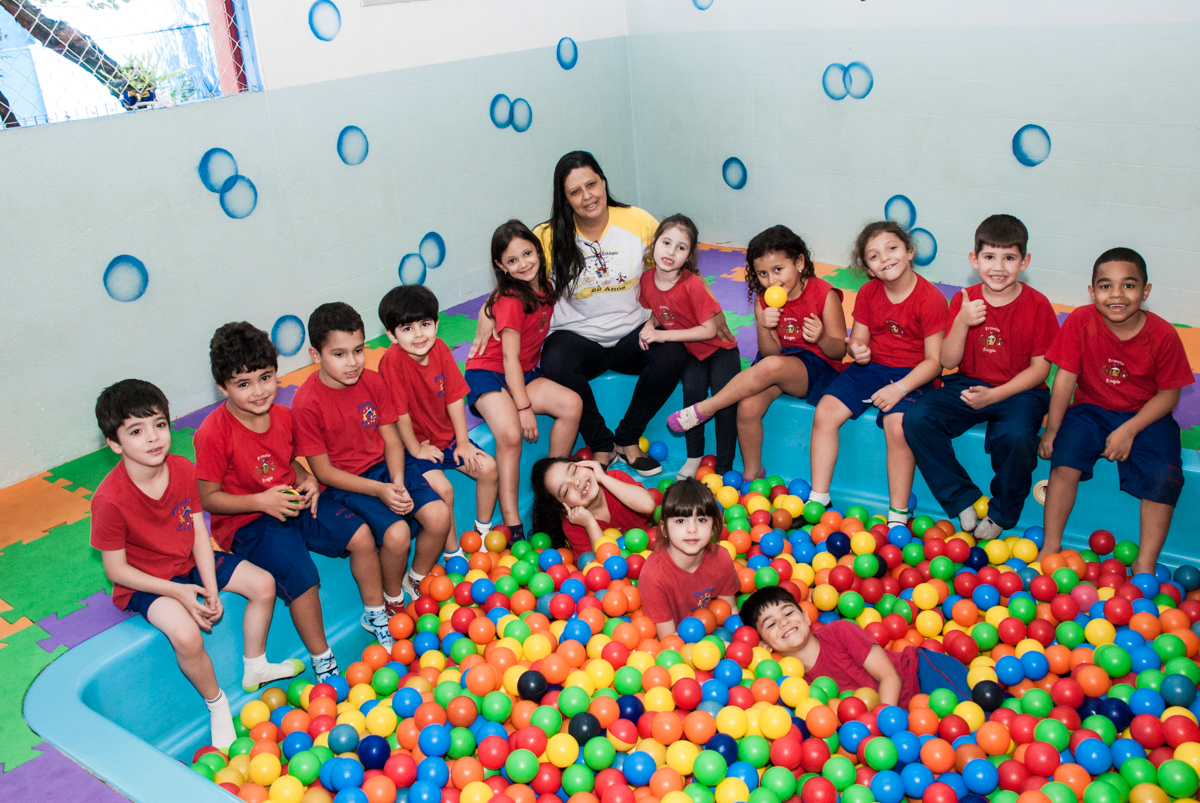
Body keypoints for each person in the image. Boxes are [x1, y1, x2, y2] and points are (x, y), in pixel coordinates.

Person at [471, 151, 731, 476]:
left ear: (604, 182)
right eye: (575, 191)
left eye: (592, 184)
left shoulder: (638, 221)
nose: (587, 196)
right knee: (554, 359)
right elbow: (517, 269)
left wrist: (714, 308)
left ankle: (628, 437)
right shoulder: (548, 236)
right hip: (578, 340)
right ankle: (601, 443)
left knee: (673, 352)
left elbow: (679, 262)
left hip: (633, 335)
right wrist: (487, 308)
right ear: (565, 199)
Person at [89, 379, 301, 749]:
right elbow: (116, 571)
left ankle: (256, 665)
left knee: (264, 585)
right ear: (114, 443)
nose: (153, 438)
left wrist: (211, 586)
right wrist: (179, 592)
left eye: (159, 424)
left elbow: (199, 533)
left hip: (187, 561)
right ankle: (217, 705)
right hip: (147, 582)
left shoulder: (183, 469)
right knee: (186, 635)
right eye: (136, 431)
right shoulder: (109, 499)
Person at [196, 322, 379, 682]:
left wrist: (307, 478)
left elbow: (288, 463)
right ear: (222, 388)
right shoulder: (212, 433)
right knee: (302, 575)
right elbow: (208, 498)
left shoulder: (282, 416)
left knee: (360, 534)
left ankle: (376, 614)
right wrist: (261, 501)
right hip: (247, 522)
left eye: (266, 377)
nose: (260, 391)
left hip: (289, 500)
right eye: (243, 384)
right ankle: (323, 659)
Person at [291, 302, 451, 646]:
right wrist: (379, 492)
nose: (352, 362)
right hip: (346, 483)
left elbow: (392, 440)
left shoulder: (373, 381)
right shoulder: (306, 403)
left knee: (438, 515)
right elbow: (323, 471)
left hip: (385, 468)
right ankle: (393, 600)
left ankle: (415, 578)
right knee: (395, 535)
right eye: (339, 354)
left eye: (359, 350)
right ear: (315, 355)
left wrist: (395, 482)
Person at [1038, 248, 1193, 573]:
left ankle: (1145, 565)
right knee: (1064, 460)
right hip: (1091, 410)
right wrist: (1053, 428)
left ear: (1145, 291)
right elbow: (1065, 378)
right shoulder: (1081, 320)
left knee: (1164, 478)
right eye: (1106, 286)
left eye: (1129, 285)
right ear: (1093, 292)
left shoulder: (1163, 335)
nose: (1117, 295)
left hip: (1147, 415)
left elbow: (1168, 396)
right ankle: (1050, 548)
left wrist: (1130, 429)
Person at [904, 215, 1059, 540]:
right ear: (975, 260)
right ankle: (962, 497)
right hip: (969, 381)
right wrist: (961, 321)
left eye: (1009, 258)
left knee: (1016, 437)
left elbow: (1040, 370)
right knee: (917, 417)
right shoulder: (964, 299)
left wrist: (995, 396)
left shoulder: (1037, 305)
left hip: (1021, 390)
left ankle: (1002, 512)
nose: (998, 267)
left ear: (1024, 261)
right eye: (989, 257)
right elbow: (947, 361)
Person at [668, 225, 847, 481]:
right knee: (748, 406)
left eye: (778, 270)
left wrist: (820, 337)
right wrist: (764, 325)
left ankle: (706, 408)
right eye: (763, 273)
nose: (772, 280)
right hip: (776, 363)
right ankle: (753, 475)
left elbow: (839, 351)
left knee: (771, 366)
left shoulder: (824, 294)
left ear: (799, 262)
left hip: (816, 366)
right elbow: (769, 350)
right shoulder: (763, 300)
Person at [809, 222, 948, 525]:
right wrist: (858, 350)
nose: (885, 258)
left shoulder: (931, 298)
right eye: (874, 256)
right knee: (824, 412)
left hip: (914, 374)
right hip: (871, 369)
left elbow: (935, 362)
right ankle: (819, 497)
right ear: (869, 270)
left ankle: (898, 515)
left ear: (909, 251)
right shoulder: (870, 292)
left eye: (892, 248)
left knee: (898, 426)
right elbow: (858, 340)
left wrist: (899, 388)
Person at [463, 221, 582, 540]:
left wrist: (487, 308)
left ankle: (550, 485)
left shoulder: (546, 286)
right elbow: (508, 358)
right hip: (489, 372)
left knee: (572, 405)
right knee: (511, 434)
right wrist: (524, 406)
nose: (523, 263)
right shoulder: (513, 300)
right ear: (500, 266)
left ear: (538, 252)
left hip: (523, 372)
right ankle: (513, 520)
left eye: (528, 253)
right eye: (512, 261)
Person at [378, 285, 499, 552]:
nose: (419, 335)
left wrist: (463, 442)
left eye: (424, 324)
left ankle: (482, 534)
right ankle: (452, 552)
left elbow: (455, 397)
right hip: (411, 447)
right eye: (407, 329)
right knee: (444, 490)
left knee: (488, 469)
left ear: (437, 323)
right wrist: (416, 448)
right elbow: (400, 414)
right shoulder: (391, 361)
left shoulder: (441, 348)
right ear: (391, 335)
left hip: (445, 438)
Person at [635, 214, 741, 480]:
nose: (671, 252)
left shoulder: (692, 284)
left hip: (720, 350)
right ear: (654, 243)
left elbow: (709, 330)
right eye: (666, 242)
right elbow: (660, 309)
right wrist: (650, 325)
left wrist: (661, 337)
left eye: (680, 248)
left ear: (689, 256)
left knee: (723, 400)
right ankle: (694, 457)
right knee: (692, 394)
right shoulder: (647, 280)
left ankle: (724, 466)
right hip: (693, 352)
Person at [741, 586, 970, 707]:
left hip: (921, 672)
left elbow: (889, 676)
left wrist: (884, 727)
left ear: (806, 617)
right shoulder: (795, 685)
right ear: (765, 646)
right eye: (770, 624)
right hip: (908, 715)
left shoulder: (840, 632)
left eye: (788, 612)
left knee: (978, 712)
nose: (784, 623)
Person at [637, 479, 740, 637]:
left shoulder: (721, 557)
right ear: (664, 528)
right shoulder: (653, 576)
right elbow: (668, 639)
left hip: (714, 636)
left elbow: (730, 612)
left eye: (701, 520)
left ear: (713, 527)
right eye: (680, 521)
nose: (692, 529)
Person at [530, 456, 656, 555]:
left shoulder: (614, 478)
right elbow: (603, 565)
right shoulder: (573, 525)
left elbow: (648, 505)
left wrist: (603, 477)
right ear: (563, 507)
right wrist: (590, 523)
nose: (577, 482)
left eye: (574, 471)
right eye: (566, 491)